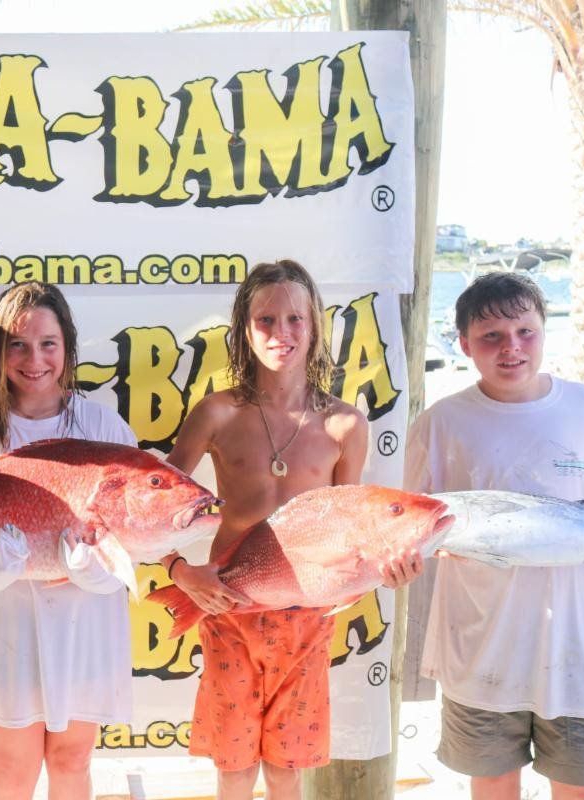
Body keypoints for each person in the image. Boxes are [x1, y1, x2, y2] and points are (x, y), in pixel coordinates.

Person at [404, 271, 584, 800]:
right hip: (479, 647)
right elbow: (414, 522)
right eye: (491, 337)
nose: (511, 348)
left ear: (544, 331)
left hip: (574, 648)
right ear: (464, 345)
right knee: (492, 786)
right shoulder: (440, 424)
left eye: (525, 332)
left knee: (580, 787)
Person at [160, 260, 422, 800]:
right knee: (233, 768)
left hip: (306, 621)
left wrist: (386, 574)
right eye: (266, 320)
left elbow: (356, 532)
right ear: (243, 329)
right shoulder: (215, 413)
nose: (282, 333)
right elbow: (153, 510)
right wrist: (180, 572)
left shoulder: (345, 424)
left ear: (316, 326)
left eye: (295, 319)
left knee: (286, 770)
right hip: (225, 610)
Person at [0, 281, 136, 800]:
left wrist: (97, 569)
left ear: (67, 347)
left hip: (85, 621)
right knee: (13, 768)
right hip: (8, 622)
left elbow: (133, 534)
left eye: (47, 343)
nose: (34, 359)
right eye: (17, 344)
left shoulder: (102, 424)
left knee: (72, 760)